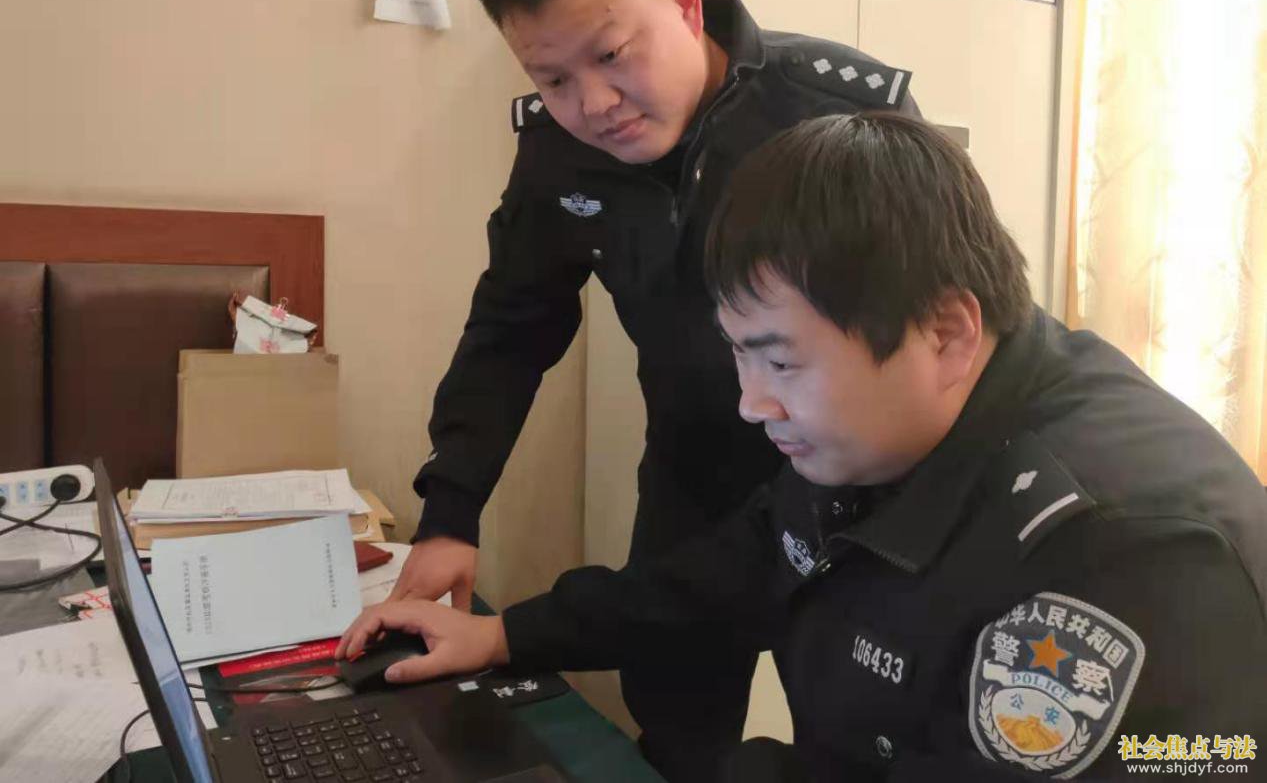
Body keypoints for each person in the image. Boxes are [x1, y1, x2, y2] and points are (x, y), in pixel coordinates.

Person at [340, 113, 1267, 781]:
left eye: (780, 360)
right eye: (739, 356)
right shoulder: (885, 426)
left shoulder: (1126, 555)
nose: (752, 403)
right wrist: (505, 634)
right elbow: (734, 566)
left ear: (945, 333)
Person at [377, 0, 918, 780]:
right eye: (552, 78)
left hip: (856, 492)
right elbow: (511, 328)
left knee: (855, 737)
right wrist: (448, 515)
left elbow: (936, 332)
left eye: (613, 55)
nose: (593, 103)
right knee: (673, 737)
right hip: (693, 480)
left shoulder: (837, 115)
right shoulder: (559, 151)